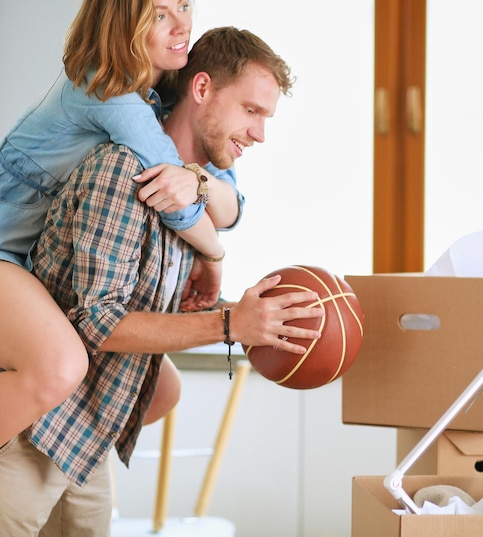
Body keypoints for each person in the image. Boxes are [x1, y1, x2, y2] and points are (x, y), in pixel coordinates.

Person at [0, 26, 318, 537]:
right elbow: (96, 323)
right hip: (33, 435)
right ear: (201, 89)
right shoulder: (124, 173)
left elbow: (230, 209)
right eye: (251, 111)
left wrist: (242, 307)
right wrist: (231, 324)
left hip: (85, 440)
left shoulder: (190, 194)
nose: (260, 134)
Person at [0, 0, 242, 448]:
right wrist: (213, 254)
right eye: (160, 14)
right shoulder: (108, 92)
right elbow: (179, 202)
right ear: (124, 24)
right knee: (64, 365)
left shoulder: (158, 92)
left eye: (185, 5)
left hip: (24, 261)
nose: (182, 24)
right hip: (3, 254)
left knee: (161, 391)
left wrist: (201, 182)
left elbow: (226, 199)